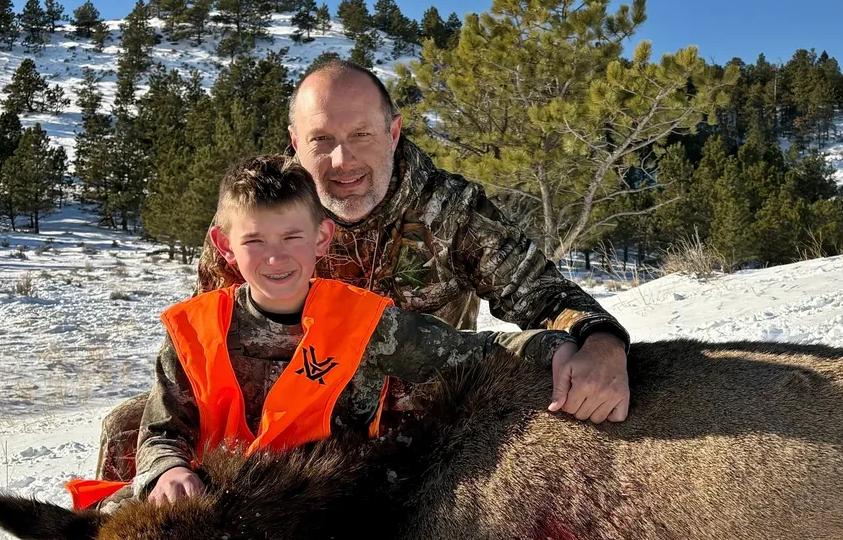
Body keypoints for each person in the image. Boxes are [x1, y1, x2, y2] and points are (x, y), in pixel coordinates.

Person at [94, 58, 629, 483]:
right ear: (295, 139)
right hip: (283, 426)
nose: (341, 161)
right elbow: (211, 348)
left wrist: (601, 340)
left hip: (413, 426)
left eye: (362, 136)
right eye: (321, 139)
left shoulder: (450, 211)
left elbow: (543, 294)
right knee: (127, 433)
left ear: (393, 131)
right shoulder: (255, 222)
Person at [69, 155, 574, 510]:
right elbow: (161, 431)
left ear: (322, 237)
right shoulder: (195, 331)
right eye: (255, 241)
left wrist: (566, 346)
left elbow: (475, 353)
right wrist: (168, 472)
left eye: (293, 236)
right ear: (224, 247)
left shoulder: (365, 325)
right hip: (215, 504)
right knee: (113, 524)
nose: (276, 257)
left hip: (318, 512)